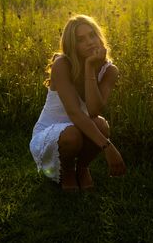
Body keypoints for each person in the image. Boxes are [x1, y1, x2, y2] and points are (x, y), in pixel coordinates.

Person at [30, 14, 126, 191]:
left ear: (99, 36)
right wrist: (107, 146)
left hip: (80, 124)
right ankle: (67, 170)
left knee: (102, 125)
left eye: (92, 35)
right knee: (73, 134)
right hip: (51, 131)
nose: (89, 42)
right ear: (72, 46)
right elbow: (74, 113)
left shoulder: (109, 70)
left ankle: (82, 168)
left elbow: (93, 110)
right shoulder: (62, 65)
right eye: (81, 40)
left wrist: (90, 67)